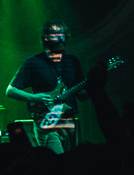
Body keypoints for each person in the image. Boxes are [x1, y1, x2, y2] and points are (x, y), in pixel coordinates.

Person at [5, 20, 85, 154]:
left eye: (62, 33)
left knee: (72, 166)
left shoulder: (73, 61)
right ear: (46, 38)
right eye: (55, 33)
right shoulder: (33, 63)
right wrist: (34, 97)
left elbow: (82, 95)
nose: (60, 36)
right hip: (46, 121)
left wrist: (96, 86)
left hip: (69, 121)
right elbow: (10, 90)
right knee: (56, 164)